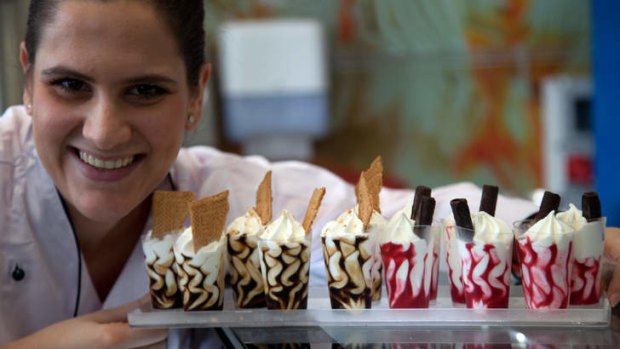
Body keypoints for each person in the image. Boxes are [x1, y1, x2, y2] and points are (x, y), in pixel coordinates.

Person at [0, 0, 619, 348]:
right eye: (70, 86)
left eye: (145, 90)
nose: (105, 131)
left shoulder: (228, 203)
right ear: (27, 78)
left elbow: (398, 215)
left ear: (197, 94)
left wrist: (593, 247)